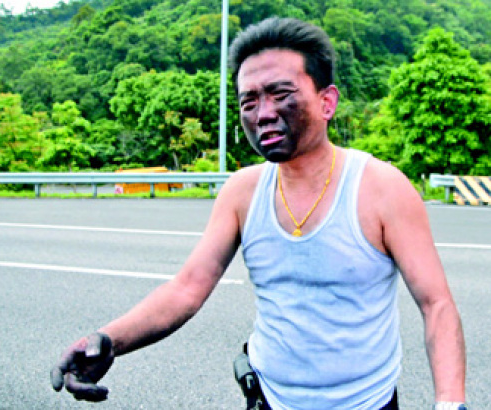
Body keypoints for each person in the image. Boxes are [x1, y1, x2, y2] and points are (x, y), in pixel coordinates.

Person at [50, 17, 466, 409]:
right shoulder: (242, 193)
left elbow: (437, 305)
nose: (263, 113)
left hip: (366, 402)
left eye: (281, 94)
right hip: (270, 399)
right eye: (249, 100)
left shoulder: (381, 189)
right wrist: (108, 340)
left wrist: (450, 403)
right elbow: (186, 290)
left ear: (327, 102)